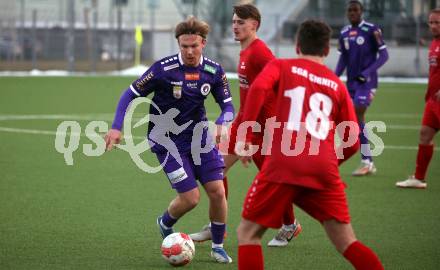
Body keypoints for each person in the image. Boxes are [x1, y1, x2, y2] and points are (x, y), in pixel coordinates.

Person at [236, 19, 384, 270]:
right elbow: (352, 141)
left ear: (296, 46)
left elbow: (258, 87)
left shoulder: (281, 66)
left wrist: (245, 136)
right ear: (327, 50)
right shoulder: (337, 85)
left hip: (284, 161)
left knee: (248, 234)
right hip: (322, 168)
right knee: (347, 242)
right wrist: (328, 163)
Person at [104, 16, 234, 263]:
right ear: (178, 44)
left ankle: (218, 245)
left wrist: (222, 123)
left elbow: (228, 105)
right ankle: (165, 222)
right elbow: (129, 94)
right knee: (191, 198)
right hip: (166, 141)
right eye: (184, 46)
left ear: (203, 43)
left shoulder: (214, 71)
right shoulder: (163, 69)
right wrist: (116, 128)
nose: (189, 51)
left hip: (200, 140)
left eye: (193, 46)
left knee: (217, 191)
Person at [188, 3, 301, 247]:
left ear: (254, 25)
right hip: (246, 123)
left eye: (241, 22)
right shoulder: (245, 51)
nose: (235, 26)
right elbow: (250, 96)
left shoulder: (260, 53)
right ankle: (217, 227)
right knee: (215, 170)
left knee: (273, 182)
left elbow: (281, 84)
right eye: (234, 22)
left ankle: (290, 224)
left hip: (265, 130)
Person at [335, 0, 389, 176]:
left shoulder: (372, 29)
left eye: (355, 10)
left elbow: (384, 55)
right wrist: (334, 77)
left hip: (367, 83)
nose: (352, 13)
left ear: (361, 12)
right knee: (354, 119)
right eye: (349, 11)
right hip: (351, 84)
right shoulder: (343, 33)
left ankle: (367, 161)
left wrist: (367, 72)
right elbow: (343, 58)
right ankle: (366, 160)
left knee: (357, 113)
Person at [396, 8, 440, 189]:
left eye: (437, 22)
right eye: (431, 22)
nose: (433, 26)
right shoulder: (434, 44)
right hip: (433, 101)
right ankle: (418, 178)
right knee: (424, 134)